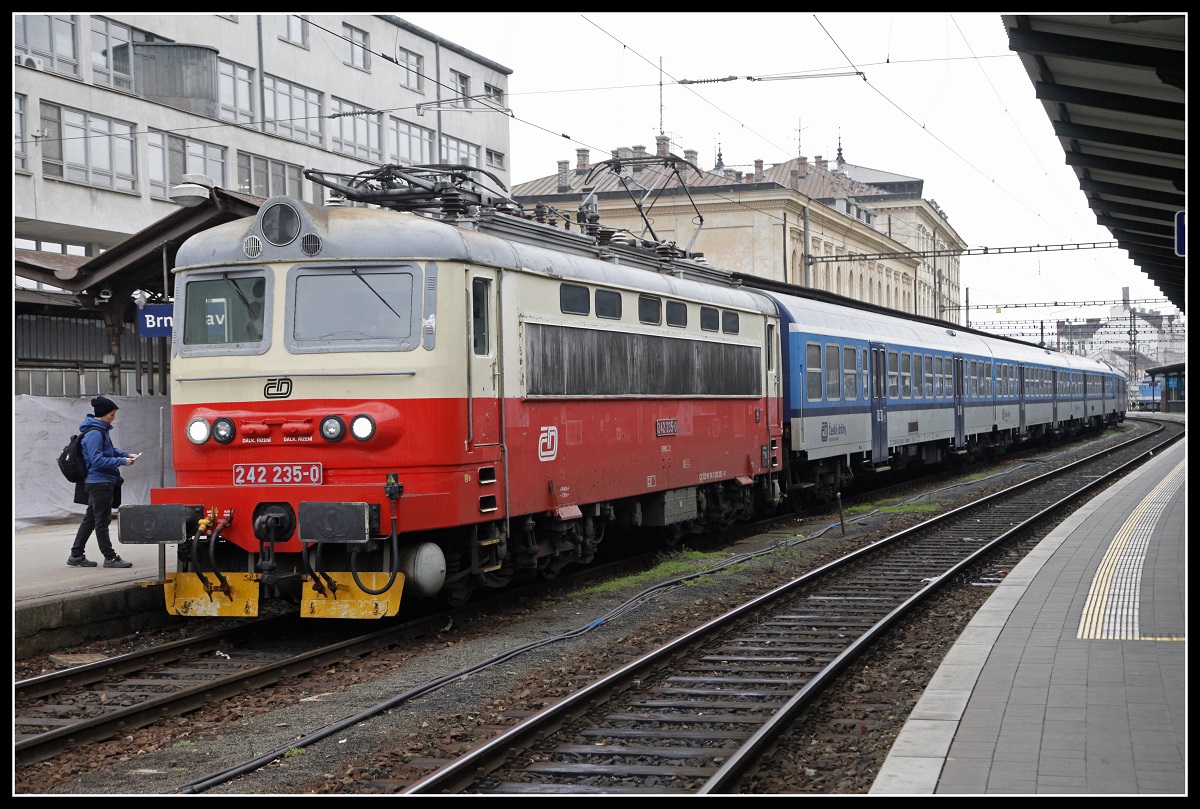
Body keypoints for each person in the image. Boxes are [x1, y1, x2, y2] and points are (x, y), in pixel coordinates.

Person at [68, 395, 136, 568]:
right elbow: (97, 460)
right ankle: (110, 557)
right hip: (100, 483)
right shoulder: (95, 433)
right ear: (104, 413)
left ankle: (76, 555)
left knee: (91, 520)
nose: (114, 418)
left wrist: (126, 455)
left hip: (100, 482)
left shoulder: (100, 430)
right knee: (102, 522)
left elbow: (109, 450)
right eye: (112, 414)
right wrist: (122, 461)